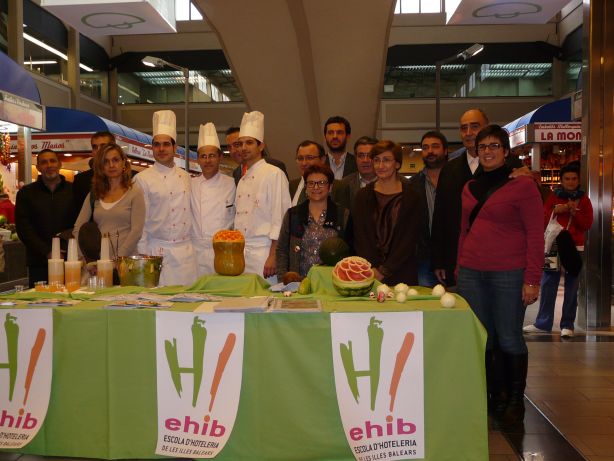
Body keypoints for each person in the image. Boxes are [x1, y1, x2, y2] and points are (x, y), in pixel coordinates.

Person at [456, 124, 543, 425]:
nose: (488, 151)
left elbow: (535, 235)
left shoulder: (523, 186)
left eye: (495, 146)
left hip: (508, 273)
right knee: (484, 339)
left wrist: (532, 279)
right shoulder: (469, 188)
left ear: (506, 152)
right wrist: (459, 267)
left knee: (508, 337)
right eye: (483, 147)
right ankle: (494, 396)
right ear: (476, 152)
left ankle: (516, 399)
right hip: (471, 273)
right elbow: (463, 231)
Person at [431, 108, 525, 287]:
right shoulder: (449, 169)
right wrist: (439, 260)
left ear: (486, 128)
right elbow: (440, 216)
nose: (468, 133)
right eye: (463, 128)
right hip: (458, 261)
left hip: (502, 263)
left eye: (474, 127)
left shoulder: (513, 168)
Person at [524, 162, 593, 338]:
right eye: (567, 179)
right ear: (561, 180)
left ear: (579, 180)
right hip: (553, 246)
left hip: (575, 248)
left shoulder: (583, 200)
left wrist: (574, 212)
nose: (570, 182)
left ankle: (567, 324)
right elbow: (543, 218)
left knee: (572, 287)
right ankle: (543, 323)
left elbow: (588, 224)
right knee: (548, 284)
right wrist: (557, 210)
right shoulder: (554, 197)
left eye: (574, 179)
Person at [135, 110, 197, 286]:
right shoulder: (142, 179)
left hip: (186, 254)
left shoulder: (186, 177)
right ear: (152, 148)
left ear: (175, 148)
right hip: (157, 252)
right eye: (156, 145)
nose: (161, 149)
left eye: (166, 144)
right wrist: (144, 255)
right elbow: (141, 222)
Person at [351, 140, 422, 285]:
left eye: (386, 160)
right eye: (376, 160)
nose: (380, 165)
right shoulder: (362, 196)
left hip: (402, 272)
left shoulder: (412, 197)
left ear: (397, 164)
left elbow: (409, 239)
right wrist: (373, 269)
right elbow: (361, 237)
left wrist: (385, 270)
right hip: (369, 273)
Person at [234, 111, 291, 282]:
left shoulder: (274, 173)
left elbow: (280, 217)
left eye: (249, 143)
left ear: (261, 146)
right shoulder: (242, 179)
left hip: (264, 254)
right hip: (242, 254)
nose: (243, 148)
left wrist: (273, 256)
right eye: (240, 143)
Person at [73, 143, 145, 261]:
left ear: (123, 163)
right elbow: (78, 228)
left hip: (125, 263)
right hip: (98, 261)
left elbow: (136, 231)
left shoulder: (135, 193)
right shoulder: (94, 194)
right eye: (106, 162)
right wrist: (86, 257)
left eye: (115, 160)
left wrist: (118, 259)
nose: (111, 165)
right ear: (101, 167)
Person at [277, 164, 349, 279]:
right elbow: (282, 250)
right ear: (305, 187)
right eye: (311, 183)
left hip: (332, 282)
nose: (316, 187)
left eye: (321, 183)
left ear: (330, 187)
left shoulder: (343, 215)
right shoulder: (293, 214)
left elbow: (350, 251)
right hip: (298, 284)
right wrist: (282, 279)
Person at [15, 149, 75, 287]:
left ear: (60, 164)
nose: (49, 165)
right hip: (39, 262)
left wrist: (65, 250)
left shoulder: (74, 191)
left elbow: (79, 224)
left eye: (52, 161)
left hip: (69, 260)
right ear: (38, 168)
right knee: (39, 303)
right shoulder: (26, 193)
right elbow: (24, 228)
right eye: (44, 162)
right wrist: (47, 251)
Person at [191, 123, 236, 276]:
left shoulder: (232, 184)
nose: (207, 160)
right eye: (203, 156)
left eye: (212, 156)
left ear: (220, 157)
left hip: (224, 252)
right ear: (197, 160)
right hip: (195, 255)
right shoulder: (190, 185)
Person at [408, 131, 448, 287]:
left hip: (453, 256)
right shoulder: (412, 184)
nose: (430, 151)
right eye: (425, 148)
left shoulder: (457, 178)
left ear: (445, 151)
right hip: (424, 259)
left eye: (435, 146)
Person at [289, 140, 350, 209]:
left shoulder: (338, 187)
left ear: (322, 160)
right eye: (300, 158)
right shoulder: (292, 186)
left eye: (309, 158)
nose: (304, 163)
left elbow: (344, 216)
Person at [72, 131, 116, 219]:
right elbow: (77, 214)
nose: (99, 150)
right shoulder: (81, 180)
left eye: (103, 146)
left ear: (114, 148)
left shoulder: (130, 177)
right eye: (95, 147)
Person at [342, 136, 378, 205]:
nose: (365, 160)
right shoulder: (344, 184)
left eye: (370, 155)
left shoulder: (389, 183)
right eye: (361, 156)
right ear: (355, 158)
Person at [324, 116, 357, 180]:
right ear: (325, 137)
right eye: (330, 133)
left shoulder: (357, 163)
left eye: (339, 132)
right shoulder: (319, 163)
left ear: (348, 136)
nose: (335, 136)